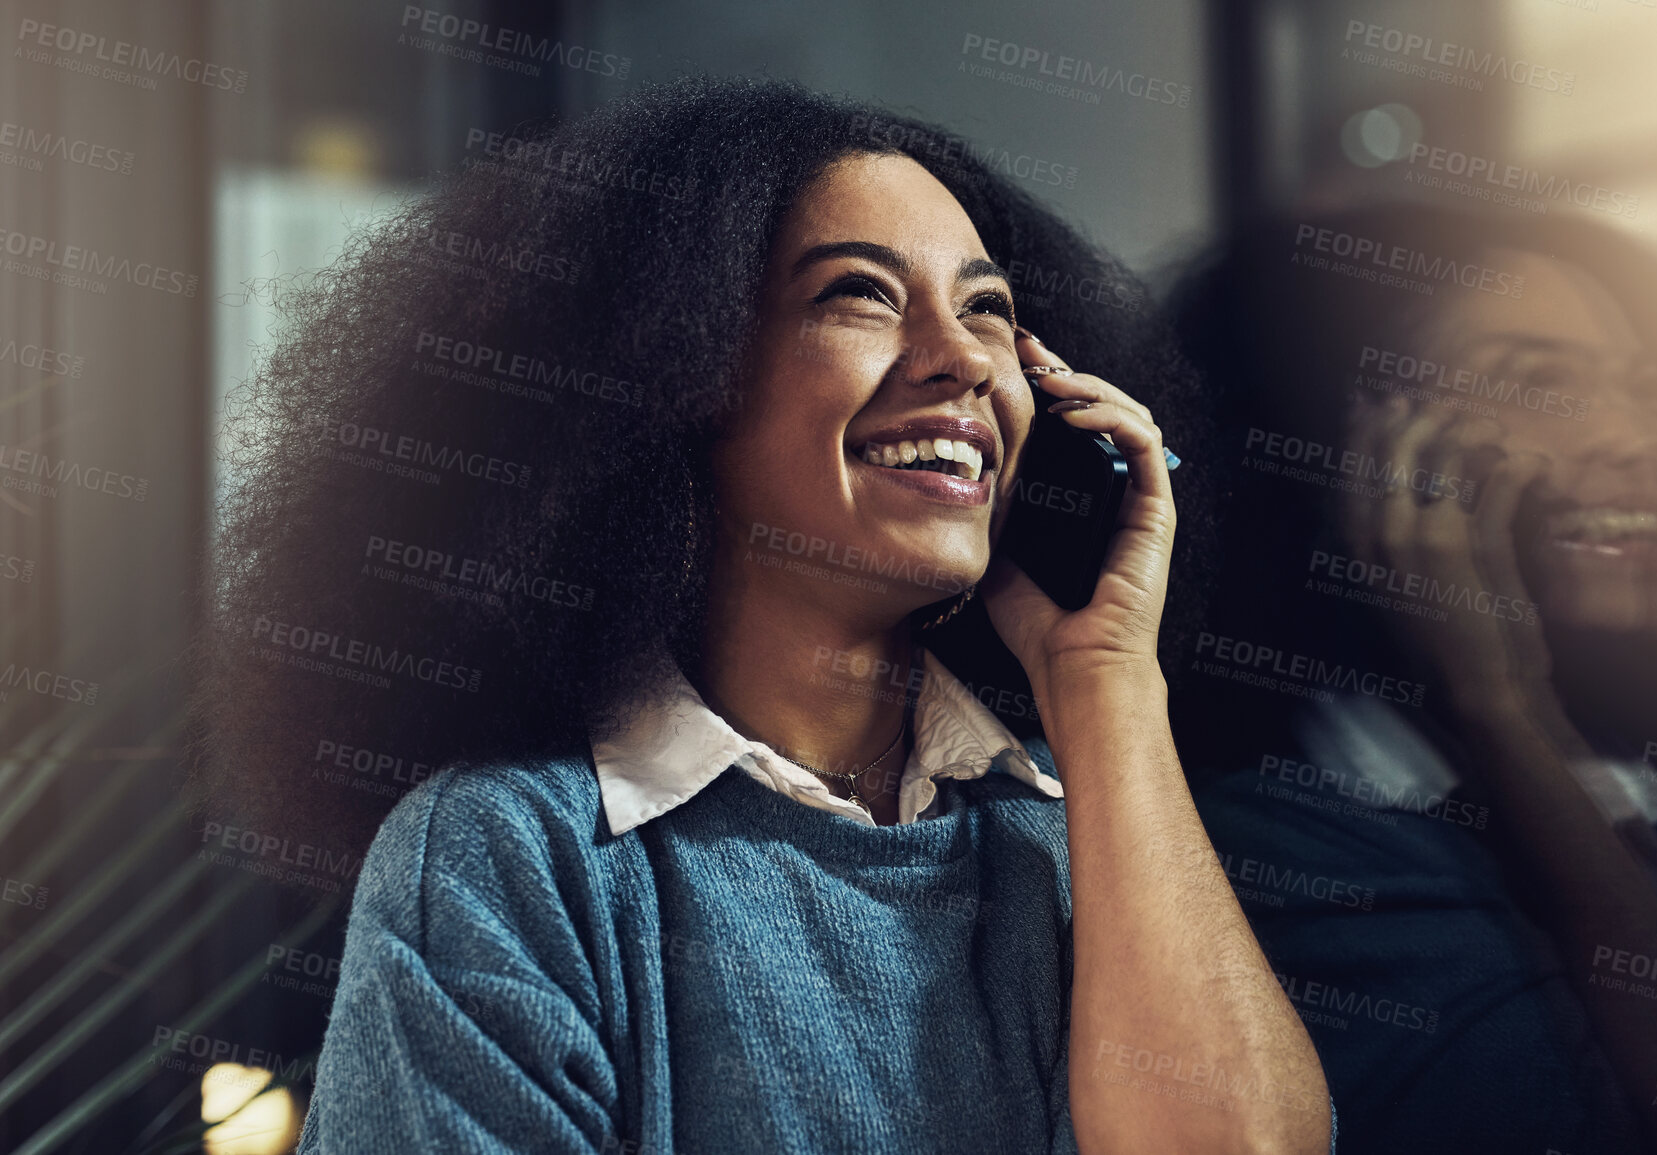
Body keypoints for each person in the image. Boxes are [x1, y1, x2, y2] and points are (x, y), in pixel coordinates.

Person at [191, 77, 1333, 1153]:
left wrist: (1108, 683)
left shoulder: (1077, 835)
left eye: (991, 313)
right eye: (859, 295)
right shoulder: (515, 858)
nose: (962, 362)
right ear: (673, 373)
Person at [1171, 203, 1657, 1154]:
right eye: (1542, 384)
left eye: (1641, 391)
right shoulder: (1254, 856)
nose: (1639, 443)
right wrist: (1501, 708)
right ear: (1334, 441)